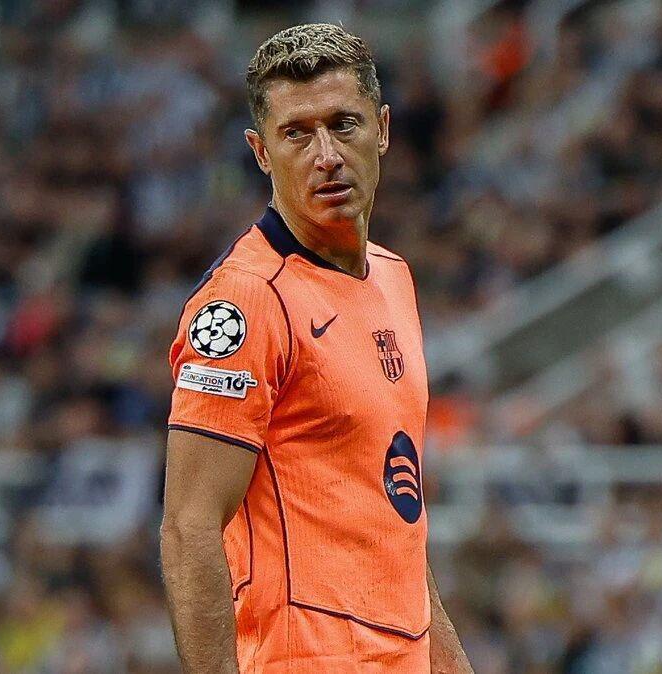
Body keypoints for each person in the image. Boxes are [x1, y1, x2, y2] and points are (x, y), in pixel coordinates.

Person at [159, 25, 473, 673]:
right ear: (260, 152)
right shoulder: (246, 300)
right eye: (297, 134)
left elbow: (396, 521)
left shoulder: (393, 277)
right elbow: (190, 527)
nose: (325, 155)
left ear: (382, 129)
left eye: (343, 124)